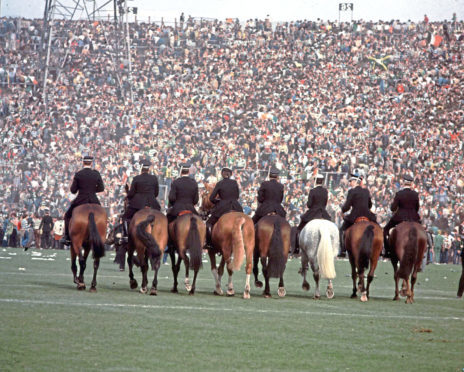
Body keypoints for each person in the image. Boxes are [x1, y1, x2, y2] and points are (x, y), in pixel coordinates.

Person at [61, 155, 105, 245]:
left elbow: (73, 191)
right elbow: (101, 188)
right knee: (103, 215)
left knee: (67, 215)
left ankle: (67, 237)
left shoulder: (79, 174)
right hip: (93, 199)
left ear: (83, 162)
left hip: (81, 199)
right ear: (91, 163)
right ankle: (103, 235)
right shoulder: (96, 174)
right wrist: (92, 190)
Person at [339, 173, 377, 257]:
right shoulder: (366, 191)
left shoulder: (351, 191)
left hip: (355, 215)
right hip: (368, 215)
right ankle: (381, 248)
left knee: (342, 230)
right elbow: (370, 205)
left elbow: (347, 206)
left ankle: (343, 250)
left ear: (356, 181)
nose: (350, 183)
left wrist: (342, 210)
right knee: (378, 229)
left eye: (351, 181)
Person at [122, 160, 161, 242]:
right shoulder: (154, 178)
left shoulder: (136, 178)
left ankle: (126, 236)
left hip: (138, 204)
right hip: (152, 203)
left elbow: (132, 193)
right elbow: (156, 193)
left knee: (125, 217)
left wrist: (128, 194)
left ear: (141, 168)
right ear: (148, 169)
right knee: (161, 217)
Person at [383, 174, 421, 258]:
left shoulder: (399, 194)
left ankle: (387, 251)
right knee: (423, 231)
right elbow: (417, 208)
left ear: (403, 183)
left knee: (385, 230)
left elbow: (393, 208)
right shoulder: (415, 194)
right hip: (413, 218)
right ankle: (423, 249)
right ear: (411, 184)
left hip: (400, 217)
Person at [206, 167, 243, 246]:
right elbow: (237, 196)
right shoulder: (235, 182)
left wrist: (218, 202)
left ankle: (209, 243)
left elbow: (211, 198)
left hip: (223, 207)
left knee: (208, 223)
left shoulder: (220, 183)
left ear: (222, 174)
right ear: (230, 175)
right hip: (236, 206)